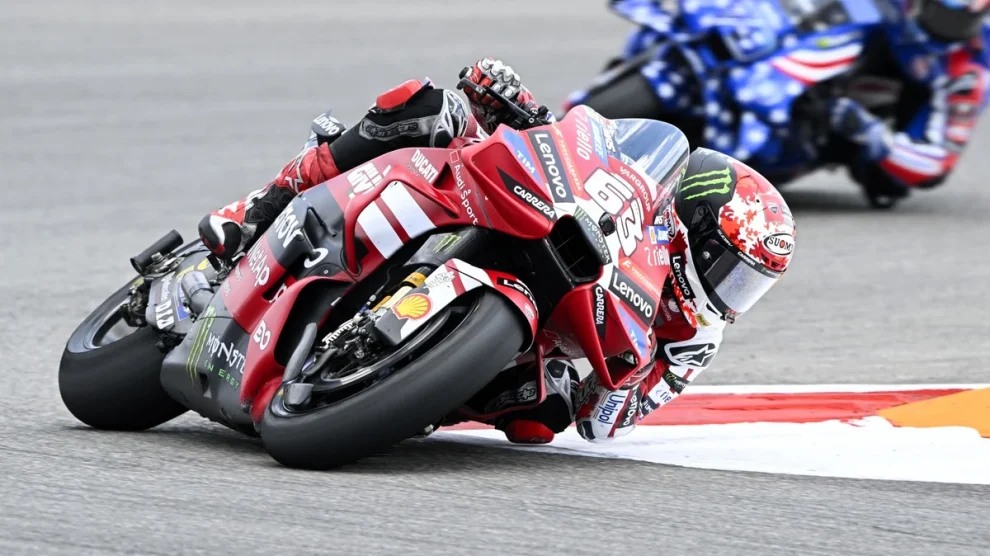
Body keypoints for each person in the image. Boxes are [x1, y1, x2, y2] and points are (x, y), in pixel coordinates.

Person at [197, 58, 796, 444]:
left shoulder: (695, 339)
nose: (731, 294)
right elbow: (578, 154)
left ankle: (399, 390)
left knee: (543, 413)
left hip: (541, 336)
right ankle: (260, 209)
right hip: (523, 218)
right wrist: (517, 104)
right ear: (692, 225)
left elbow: (604, 424)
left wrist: (620, 377)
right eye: (731, 271)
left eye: (750, 285)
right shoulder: (639, 196)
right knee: (429, 111)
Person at [823, 0, 990, 207]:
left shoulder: (970, 77)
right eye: (940, 15)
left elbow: (938, 163)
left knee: (889, 181)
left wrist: (870, 131)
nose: (949, 29)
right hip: (875, 34)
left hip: (916, 93)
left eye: (962, 21)